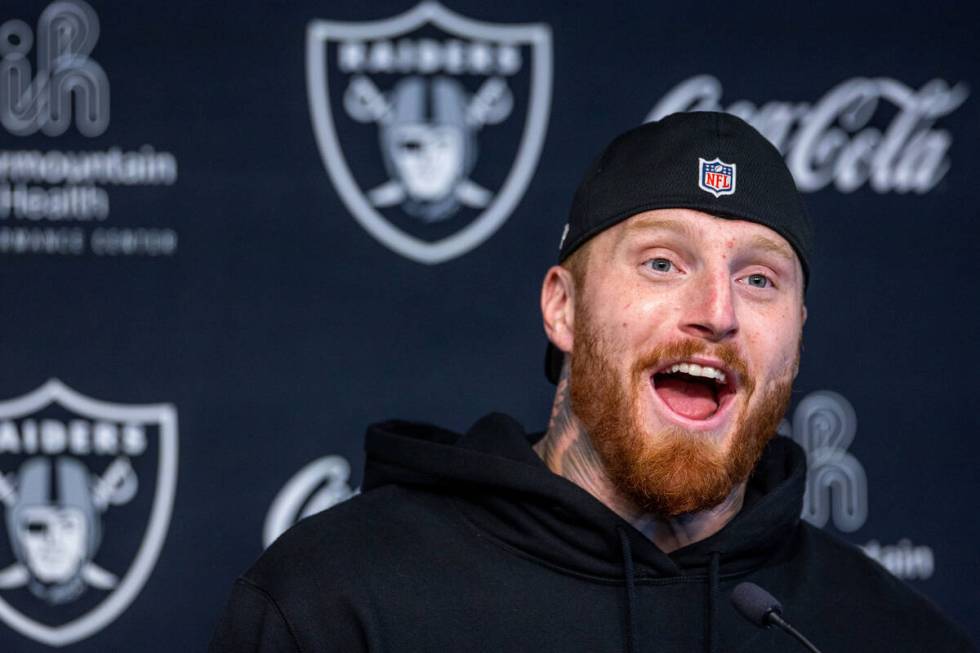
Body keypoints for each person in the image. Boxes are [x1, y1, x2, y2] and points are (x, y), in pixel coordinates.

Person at [209, 112, 974, 652]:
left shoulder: (885, 632)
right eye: (663, 263)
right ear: (563, 308)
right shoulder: (335, 600)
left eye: (759, 279)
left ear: (798, 340)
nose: (717, 312)